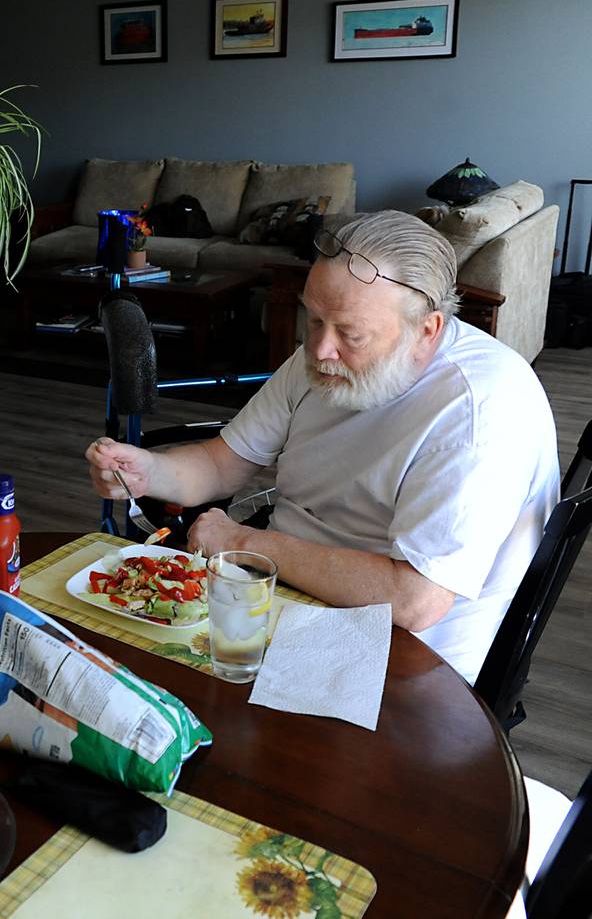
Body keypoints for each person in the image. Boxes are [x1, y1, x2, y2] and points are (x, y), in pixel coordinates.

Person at [86, 210, 560, 683]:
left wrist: (244, 543)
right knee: (102, 657)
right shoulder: (323, 352)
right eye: (311, 319)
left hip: (401, 663)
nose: (318, 350)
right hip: (285, 594)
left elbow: (415, 600)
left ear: (428, 330)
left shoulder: (478, 411)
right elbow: (220, 463)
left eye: (350, 334)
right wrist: (146, 470)